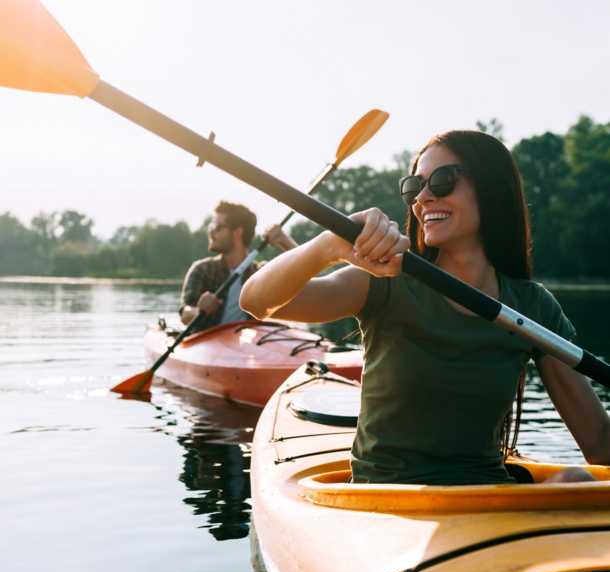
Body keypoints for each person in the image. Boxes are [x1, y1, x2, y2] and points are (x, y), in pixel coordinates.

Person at [240, 130, 610, 486]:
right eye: (415, 187)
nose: (423, 198)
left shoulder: (532, 307)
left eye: (443, 180)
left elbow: (599, 444)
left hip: (488, 501)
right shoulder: (383, 280)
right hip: (389, 500)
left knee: (575, 478)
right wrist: (329, 247)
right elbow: (255, 301)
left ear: (492, 188)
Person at [180, 200, 297, 332]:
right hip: (206, 343)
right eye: (210, 226)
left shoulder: (260, 274)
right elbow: (185, 314)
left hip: (246, 346)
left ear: (237, 233)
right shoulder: (202, 270)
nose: (210, 232)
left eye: (217, 227)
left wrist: (283, 240)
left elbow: (306, 273)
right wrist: (199, 310)